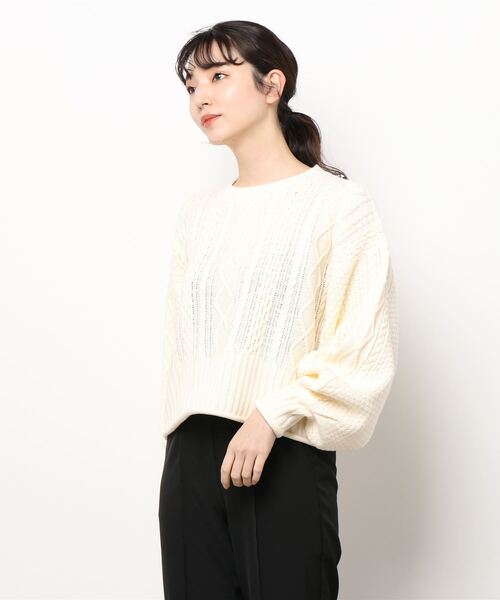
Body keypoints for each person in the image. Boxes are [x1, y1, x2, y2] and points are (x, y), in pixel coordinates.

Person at [158, 20, 399, 600]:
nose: (201, 97)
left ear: (272, 85)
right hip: (190, 457)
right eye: (191, 86)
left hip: (283, 447)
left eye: (219, 76)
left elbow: (361, 350)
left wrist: (270, 415)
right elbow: (181, 350)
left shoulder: (339, 207)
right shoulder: (197, 216)